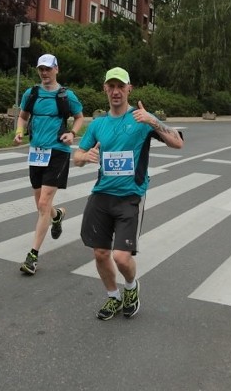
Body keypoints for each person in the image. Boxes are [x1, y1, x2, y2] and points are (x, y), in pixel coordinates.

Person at [74, 67, 184, 320]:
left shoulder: (141, 117)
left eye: (120, 87)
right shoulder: (98, 123)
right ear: (105, 89)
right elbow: (77, 156)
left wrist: (152, 121)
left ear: (129, 89)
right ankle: (113, 297)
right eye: (111, 86)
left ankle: (131, 287)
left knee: (121, 257)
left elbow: (178, 143)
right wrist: (84, 156)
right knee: (100, 253)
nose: (115, 92)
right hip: (101, 195)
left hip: (131, 196)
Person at [14, 54, 84, 275]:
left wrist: (72, 133)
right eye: (40, 69)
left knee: (44, 202)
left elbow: (80, 117)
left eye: (48, 69)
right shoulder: (31, 93)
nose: (44, 73)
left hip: (58, 153)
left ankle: (32, 256)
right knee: (42, 206)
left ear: (56, 69)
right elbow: (23, 117)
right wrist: (19, 132)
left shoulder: (66, 95)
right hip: (36, 152)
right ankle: (57, 216)